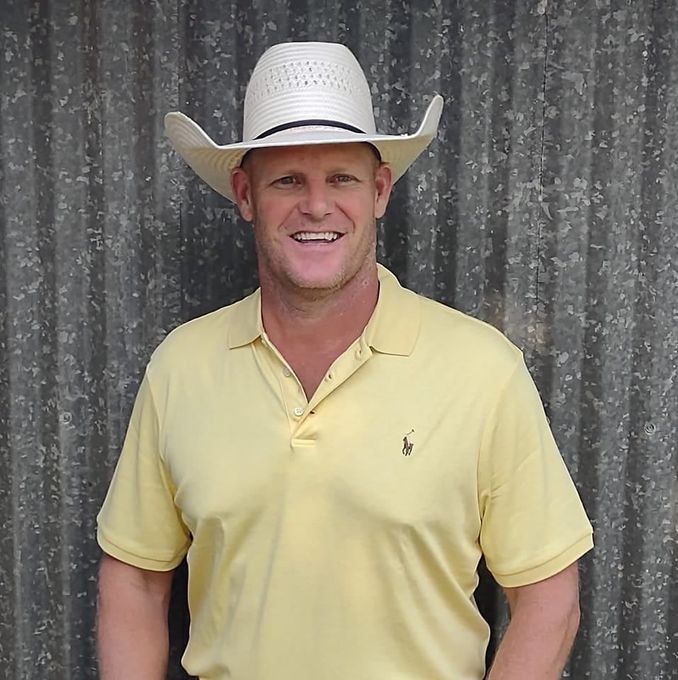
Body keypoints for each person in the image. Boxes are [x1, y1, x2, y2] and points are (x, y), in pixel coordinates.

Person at [96, 41, 593, 680]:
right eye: (287, 181)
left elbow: (550, 599)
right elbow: (134, 580)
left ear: (379, 190)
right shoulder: (180, 368)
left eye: (342, 178)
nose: (317, 206)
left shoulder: (483, 370)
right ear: (245, 195)